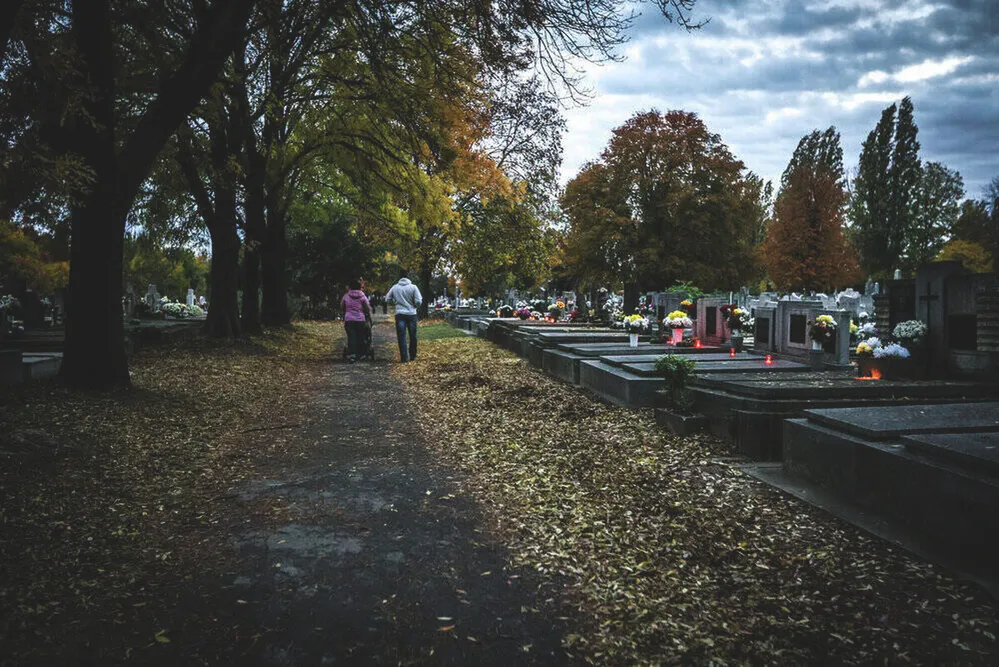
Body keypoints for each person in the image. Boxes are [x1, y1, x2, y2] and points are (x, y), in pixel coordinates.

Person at [385, 270, 422, 362]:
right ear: (408, 277)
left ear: (400, 278)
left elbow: (387, 299)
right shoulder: (413, 287)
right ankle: (412, 355)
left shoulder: (395, 287)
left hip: (400, 314)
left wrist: (395, 303)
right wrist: (415, 306)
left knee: (401, 336)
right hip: (411, 314)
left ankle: (404, 357)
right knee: (413, 335)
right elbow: (418, 301)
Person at [340, 279, 372, 362]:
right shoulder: (363, 296)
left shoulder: (346, 296)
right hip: (360, 319)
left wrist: (346, 311)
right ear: (359, 287)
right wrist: (365, 312)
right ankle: (361, 354)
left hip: (349, 319)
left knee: (351, 337)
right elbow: (367, 308)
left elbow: (342, 306)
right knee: (360, 336)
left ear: (350, 287)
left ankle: (352, 354)